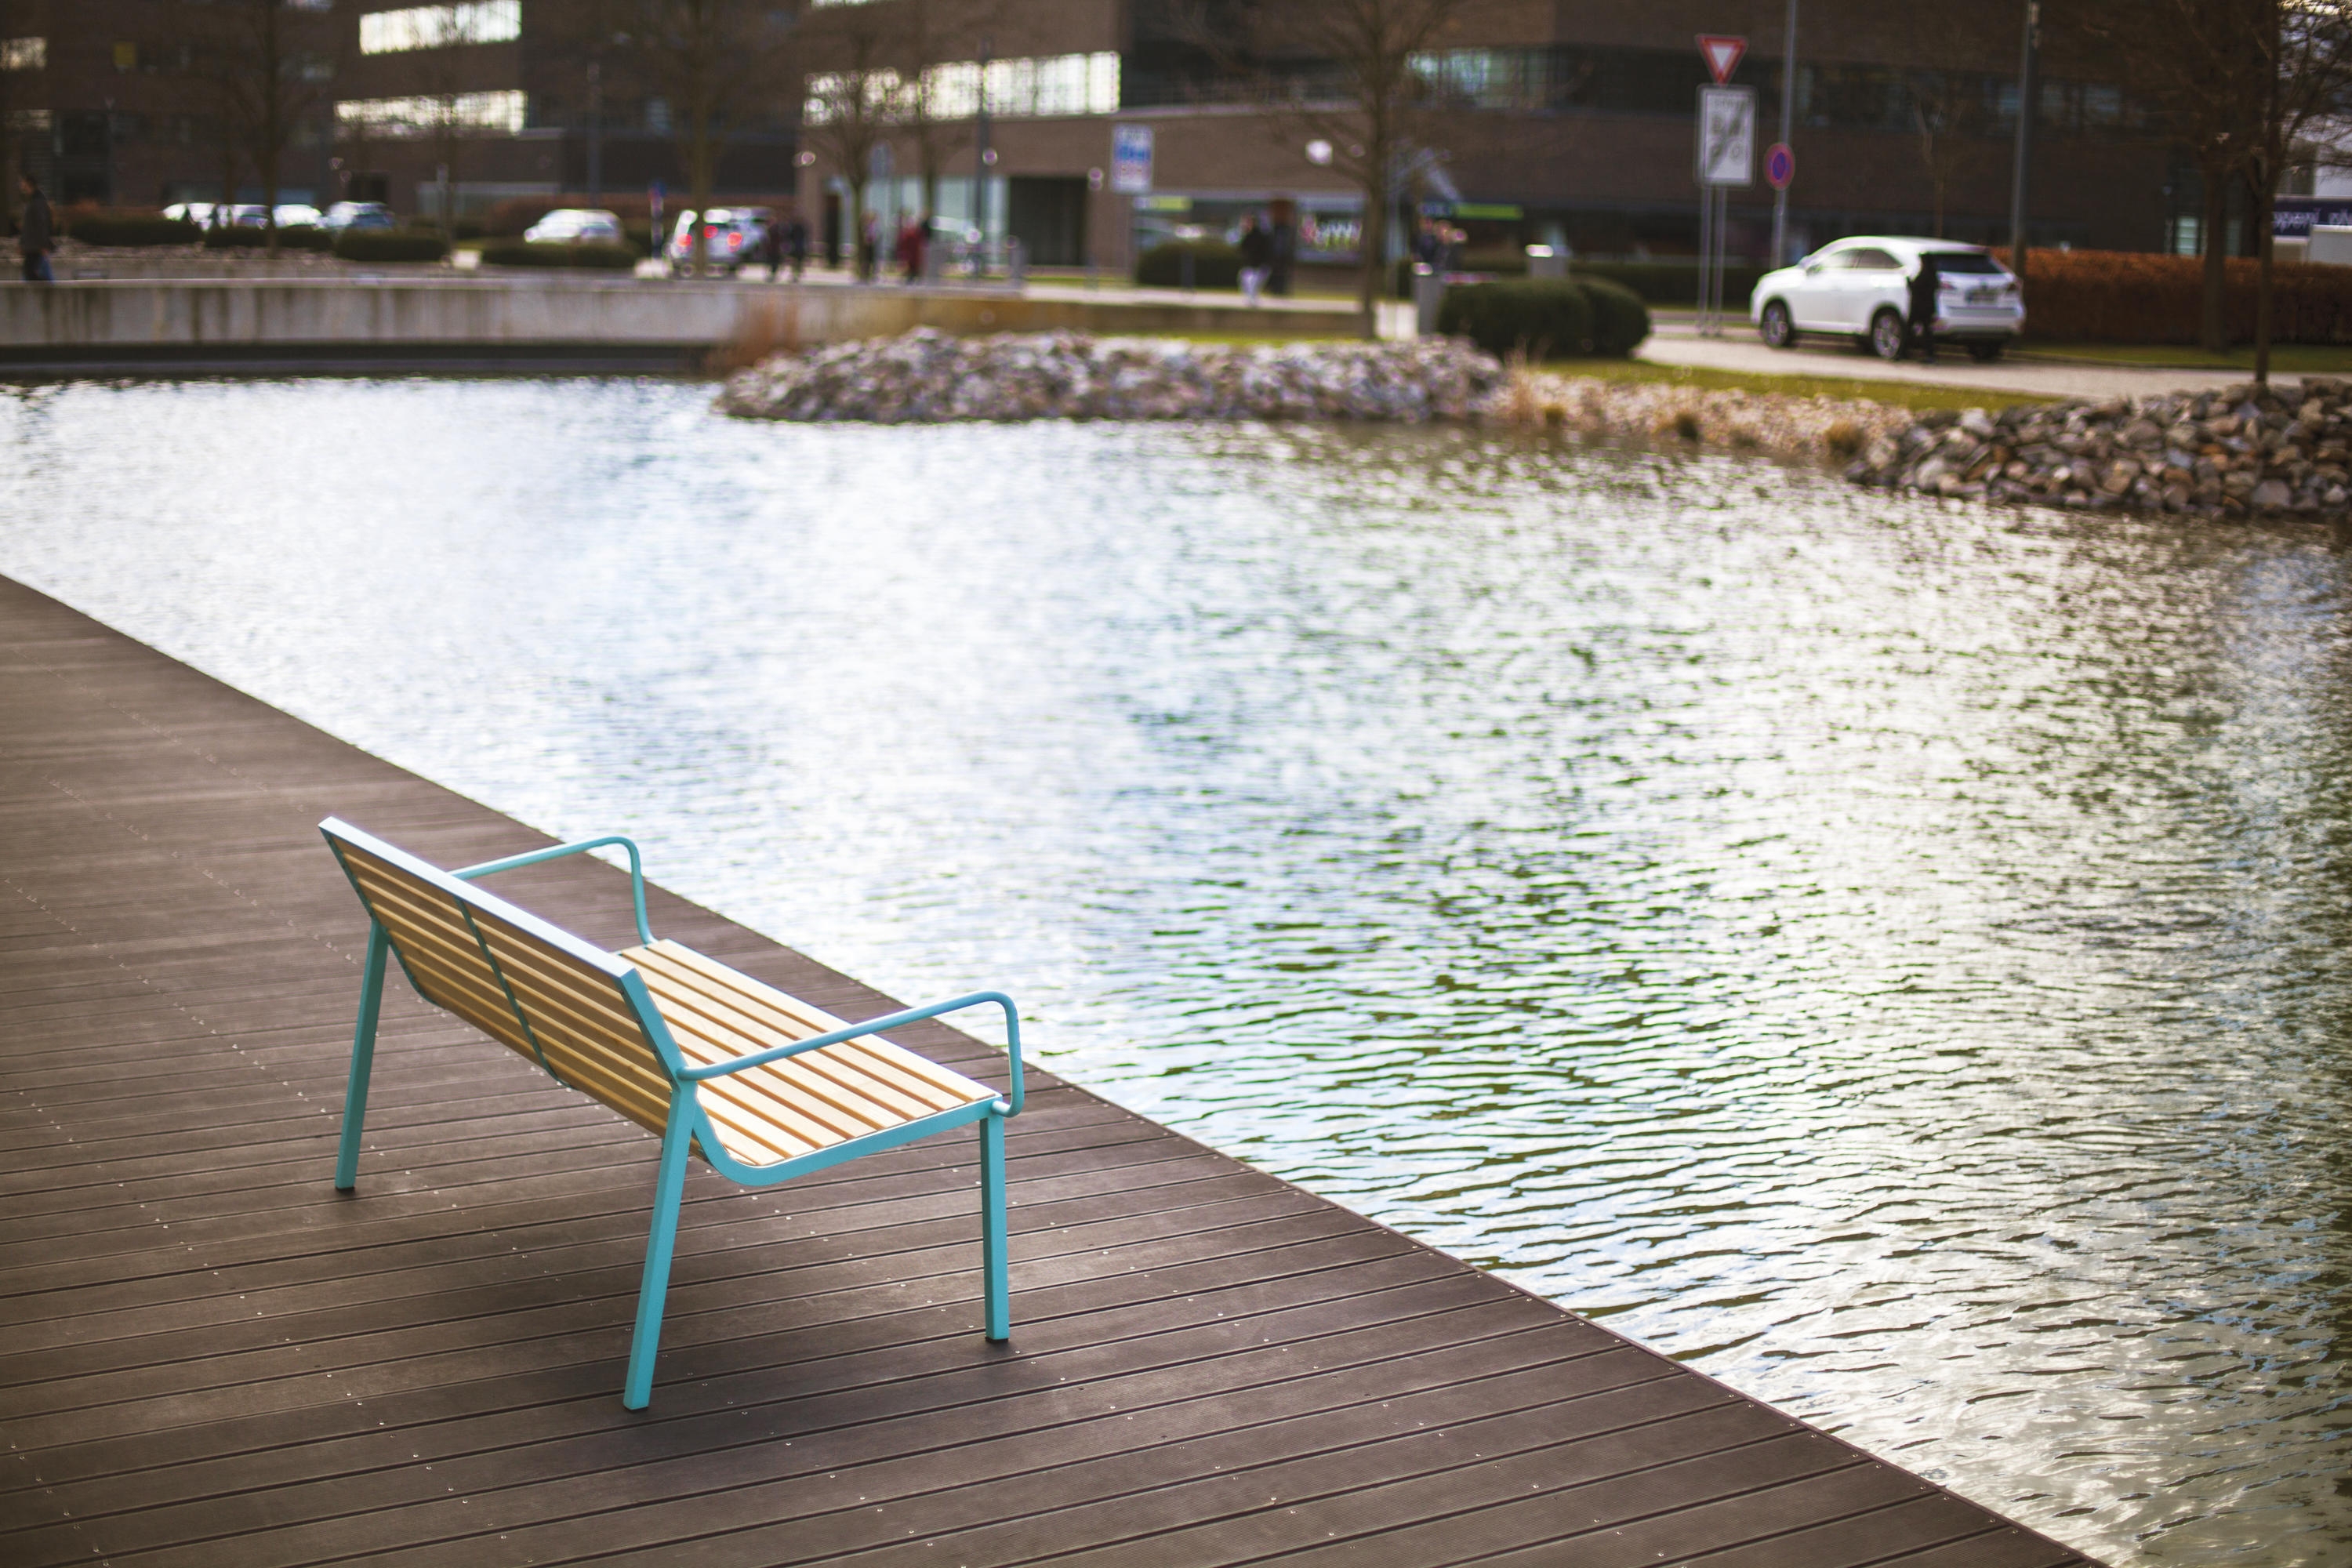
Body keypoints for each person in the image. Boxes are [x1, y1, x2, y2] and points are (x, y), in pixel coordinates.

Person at [17, 175, 54, 283]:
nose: (21, 187)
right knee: (33, 271)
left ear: (29, 185)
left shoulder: (37, 202)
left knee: (30, 273)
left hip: (35, 247)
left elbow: (41, 224)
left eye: (23, 184)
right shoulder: (33, 201)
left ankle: (49, 290)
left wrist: (44, 245)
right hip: (33, 246)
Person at [1906, 253, 1940, 364]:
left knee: (1909, 329)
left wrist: (1908, 282)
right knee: (1927, 332)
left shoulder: (1924, 274)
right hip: (1929, 307)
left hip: (1918, 307)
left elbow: (1915, 288)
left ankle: (1903, 352)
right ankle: (1929, 354)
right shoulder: (1933, 275)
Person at [1237, 216, 1272, 306]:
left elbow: (1264, 251)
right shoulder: (1247, 235)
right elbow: (1242, 248)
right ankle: (1250, 299)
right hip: (1249, 265)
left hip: (1257, 266)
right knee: (1246, 281)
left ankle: (1252, 299)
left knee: (1253, 282)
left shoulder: (1259, 235)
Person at [785, 212, 809, 282]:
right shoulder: (800, 228)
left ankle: (796, 275)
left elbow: (789, 237)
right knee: (797, 262)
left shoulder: (794, 227)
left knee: (796, 262)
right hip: (798, 248)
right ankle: (796, 274)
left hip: (796, 248)